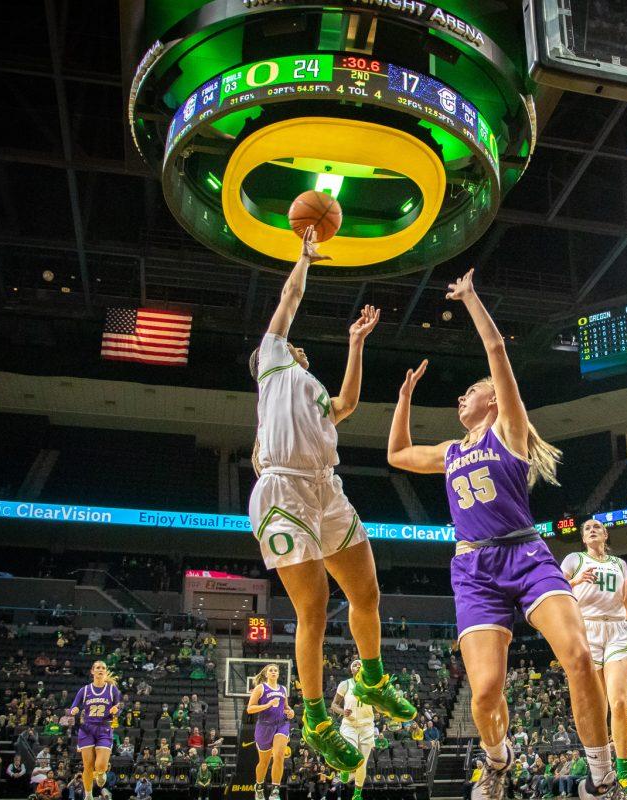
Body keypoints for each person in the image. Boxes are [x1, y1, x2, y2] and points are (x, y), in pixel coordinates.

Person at [387, 269, 620, 800]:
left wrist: (470, 298)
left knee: (580, 657)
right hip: (473, 569)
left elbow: (496, 352)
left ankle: (602, 777)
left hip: (526, 554)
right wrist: (403, 396)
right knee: (485, 691)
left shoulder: (509, 431)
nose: (462, 397)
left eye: (472, 390)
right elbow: (398, 454)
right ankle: (497, 760)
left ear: (492, 399)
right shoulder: (450, 451)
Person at [247, 229, 414, 771]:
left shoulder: (311, 385)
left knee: (366, 592)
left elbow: (345, 404)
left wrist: (356, 344)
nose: (293, 342)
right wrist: (303, 259)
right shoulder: (272, 363)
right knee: (313, 607)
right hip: (283, 490)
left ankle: (372, 679)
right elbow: (289, 301)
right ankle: (318, 721)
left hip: (326, 488)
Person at [561, 518, 627, 796]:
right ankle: (602, 770)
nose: (592, 529)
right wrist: (575, 580)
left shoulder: (619, 564)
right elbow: (556, 593)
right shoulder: (575, 559)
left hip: (617, 629)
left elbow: (626, 610)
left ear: (606, 534)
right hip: (587, 629)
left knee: (619, 701)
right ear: (584, 538)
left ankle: (624, 773)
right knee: (599, 709)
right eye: (587, 528)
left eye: (597, 526)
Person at [70, 661, 122, 800]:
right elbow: (73, 706)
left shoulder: (112, 690)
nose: (100, 670)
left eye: (103, 668)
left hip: (104, 728)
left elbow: (119, 709)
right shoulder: (85, 690)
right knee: (88, 765)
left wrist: (116, 710)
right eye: (98, 668)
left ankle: (101, 773)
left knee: (100, 765)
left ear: (105, 672)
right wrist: (73, 710)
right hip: (87, 729)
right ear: (92, 671)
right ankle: (88, 795)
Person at [330, 659, 377, 800]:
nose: (358, 666)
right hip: (349, 725)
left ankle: (357, 794)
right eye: (355, 664)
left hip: (367, 726)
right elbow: (334, 705)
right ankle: (344, 769)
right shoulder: (345, 684)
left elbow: (380, 704)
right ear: (351, 669)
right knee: (352, 752)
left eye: (360, 664)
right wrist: (342, 711)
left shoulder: (372, 685)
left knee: (362, 761)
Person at [247, 664, 294, 800]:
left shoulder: (283, 689)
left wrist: (290, 711)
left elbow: (285, 707)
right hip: (264, 726)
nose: (273, 672)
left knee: (279, 755)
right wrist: (267, 705)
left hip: (281, 724)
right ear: (266, 674)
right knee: (264, 762)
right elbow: (250, 709)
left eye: (276, 670)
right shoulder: (260, 688)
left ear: (278, 674)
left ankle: (275, 790)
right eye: (271, 670)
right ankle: (259, 786)